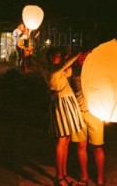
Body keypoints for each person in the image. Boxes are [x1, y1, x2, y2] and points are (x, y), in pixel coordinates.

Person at [44, 47, 84, 186]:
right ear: (50, 57)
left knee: (66, 140)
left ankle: (63, 174)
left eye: (60, 56)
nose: (59, 58)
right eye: (57, 56)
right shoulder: (50, 70)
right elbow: (65, 66)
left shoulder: (58, 69)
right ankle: (58, 177)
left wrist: (67, 58)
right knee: (61, 140)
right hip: (61, 103)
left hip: (68, 101)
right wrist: (75, 54)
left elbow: (68, 71)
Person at [71, 47, 106, 186]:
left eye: (86, 56)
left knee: (97, 147)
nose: (83, 58)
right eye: (81, 56)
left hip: (95, 112)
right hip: (78, 112)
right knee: (81, 145)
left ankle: (100, 179)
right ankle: (84, 177)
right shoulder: (73, 72)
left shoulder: (98, 72)